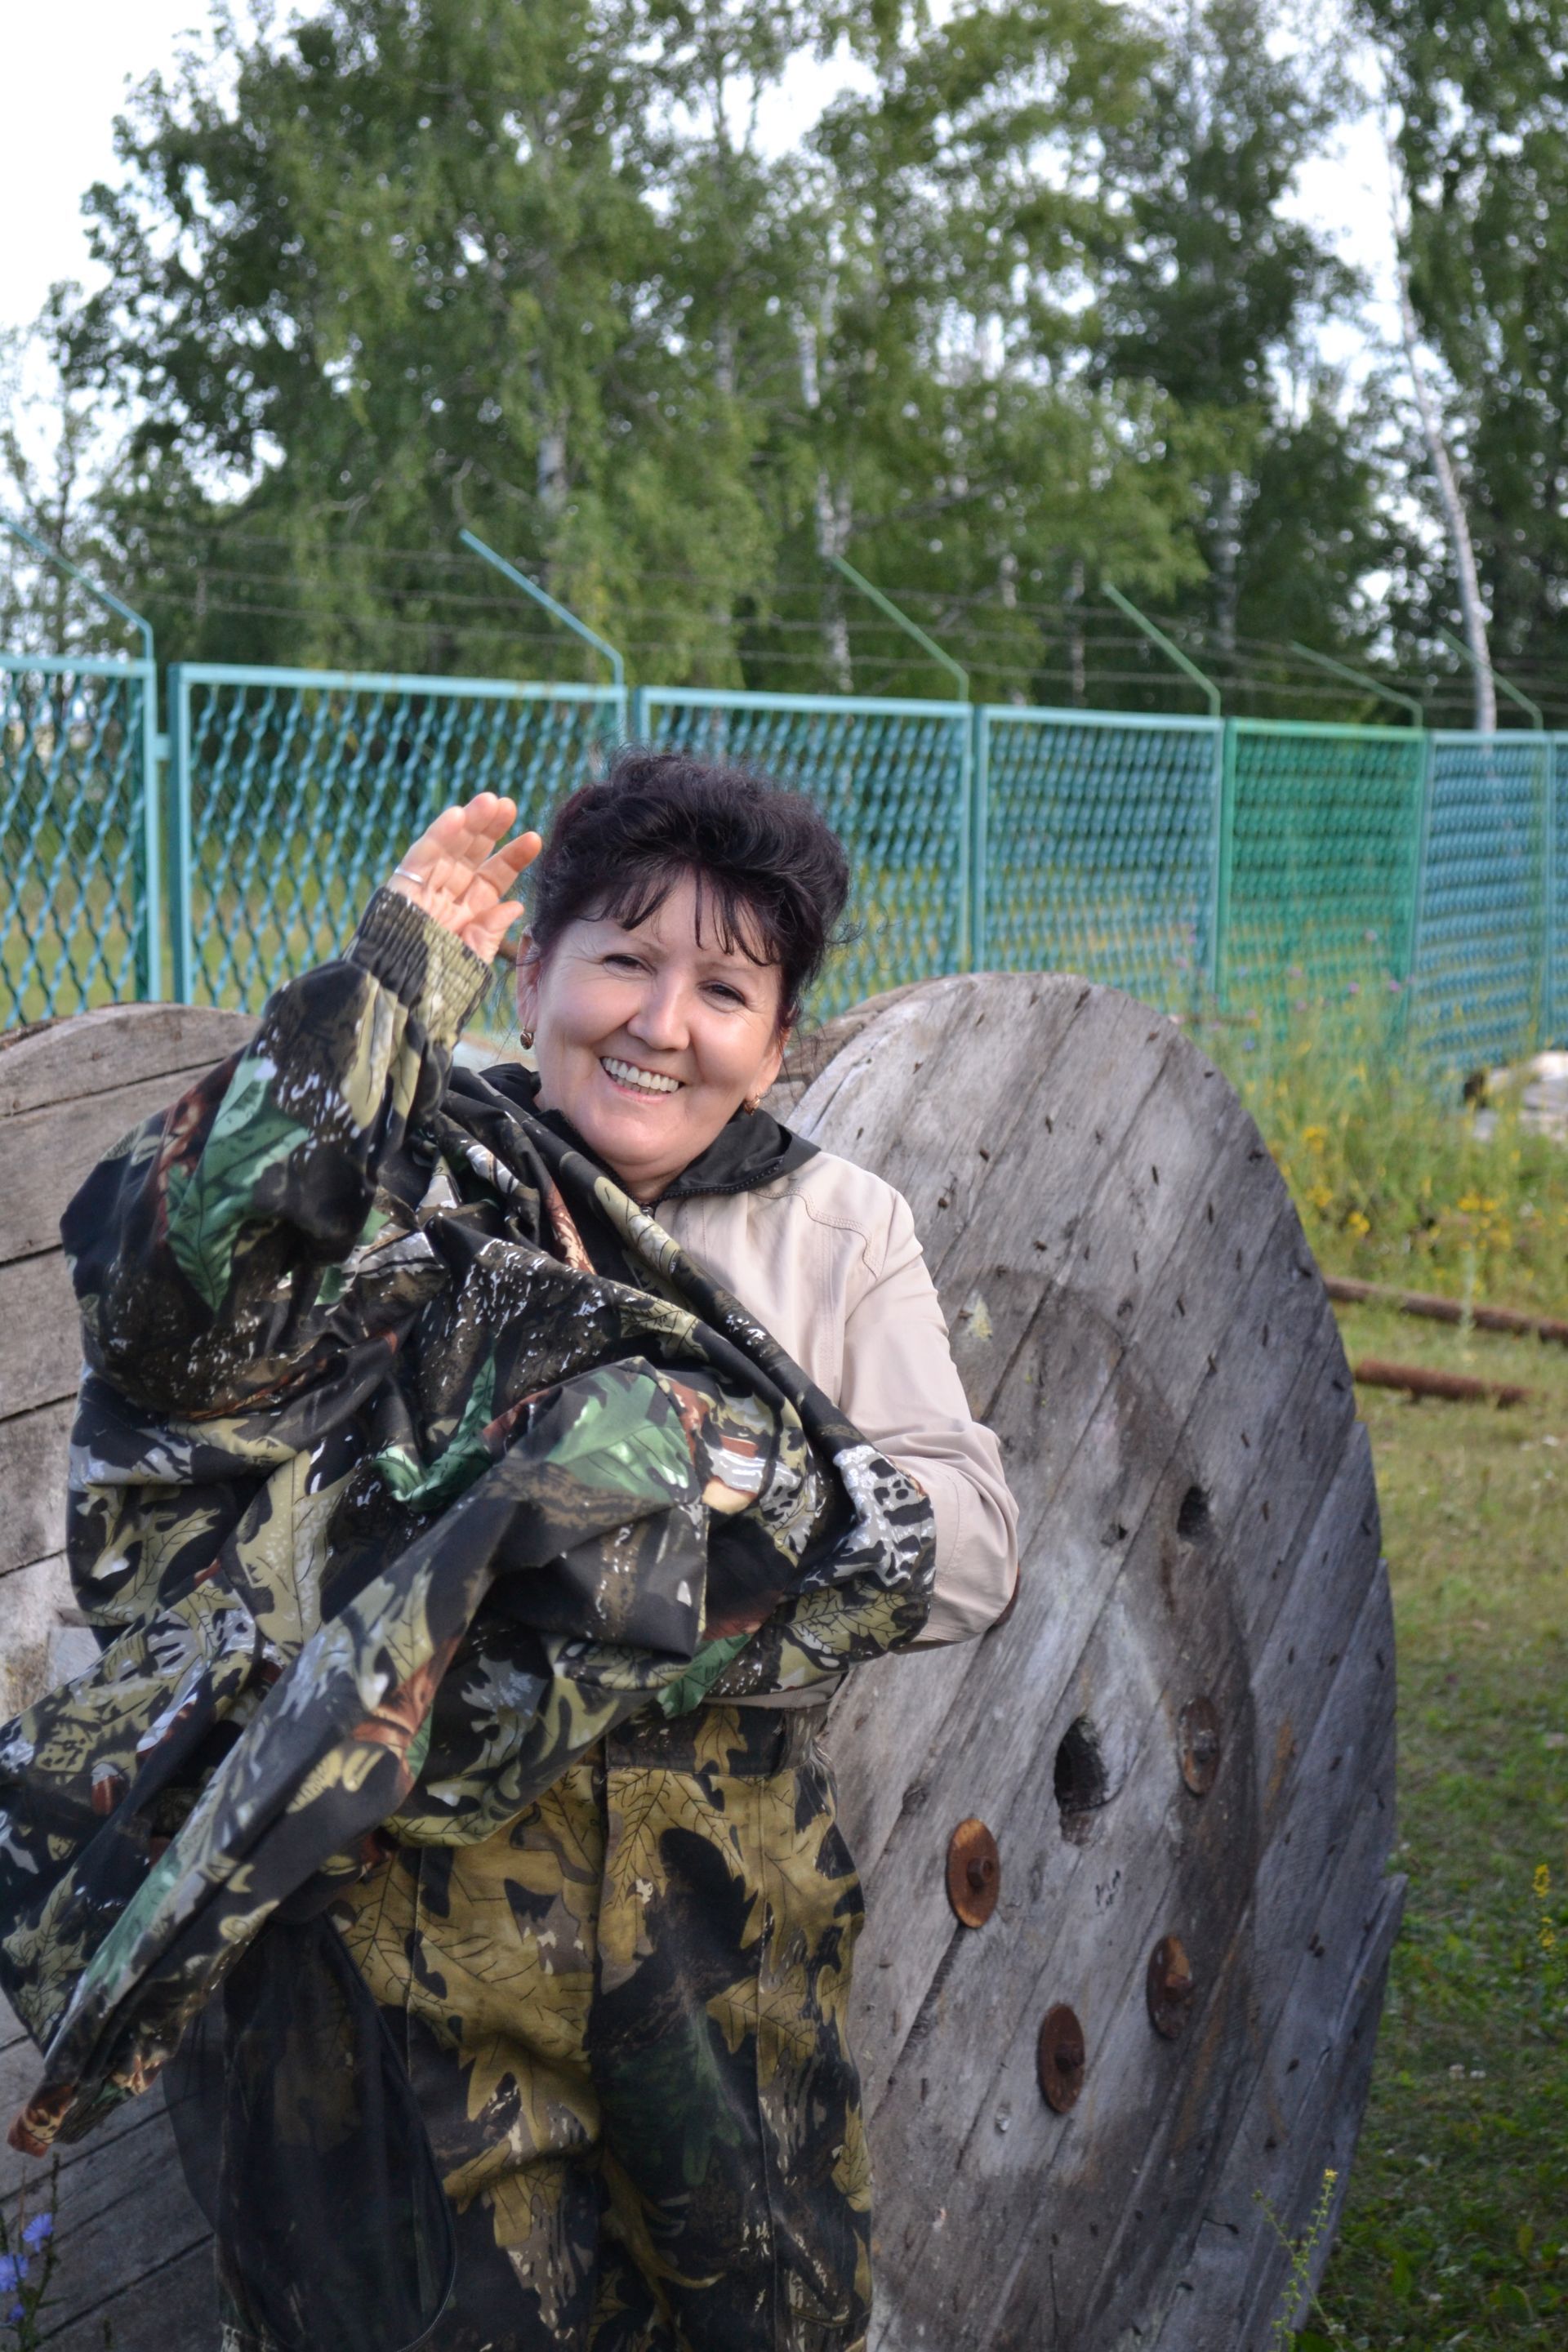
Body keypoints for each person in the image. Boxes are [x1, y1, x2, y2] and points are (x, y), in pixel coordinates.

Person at [7, 751, 1016, 2352]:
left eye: (726, 989)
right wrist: (372, 1007)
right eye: (622, 958)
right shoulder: (409, 1170)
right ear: (529, 972)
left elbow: (962, 1547)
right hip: (394, 1930)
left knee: (762, 2303)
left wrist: (691, 1501)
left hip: (712, 1920)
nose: (662, 1023)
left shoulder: (837, 1228)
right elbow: (182, 1311)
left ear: (778, 1041)